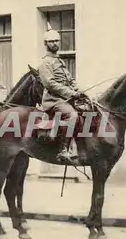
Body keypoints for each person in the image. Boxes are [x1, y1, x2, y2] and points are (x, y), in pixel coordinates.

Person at [37, 25, 89, 162]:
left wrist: (79, 91)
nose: (55, 44)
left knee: (88, 109)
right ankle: (63, 149)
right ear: (45, 43)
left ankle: (79, 146)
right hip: (53, 100)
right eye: (51, 41)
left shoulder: (59, 60)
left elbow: (70, 80)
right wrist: (71, 93)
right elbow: (50, 84)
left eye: (57, 41)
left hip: (65, 98)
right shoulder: (44, 63)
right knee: (72, 115)